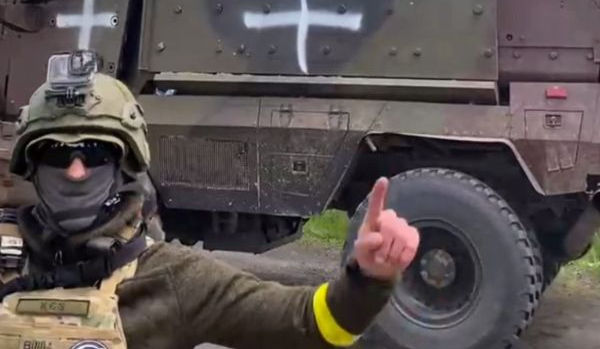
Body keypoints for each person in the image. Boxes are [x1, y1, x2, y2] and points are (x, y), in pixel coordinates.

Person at [0, 51, 420, 349]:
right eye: (55, 153)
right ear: (31, 165)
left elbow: (311, 324)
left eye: (94, 152)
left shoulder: (173, 278)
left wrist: (367, 279)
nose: (76, 172)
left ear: (125, 164)